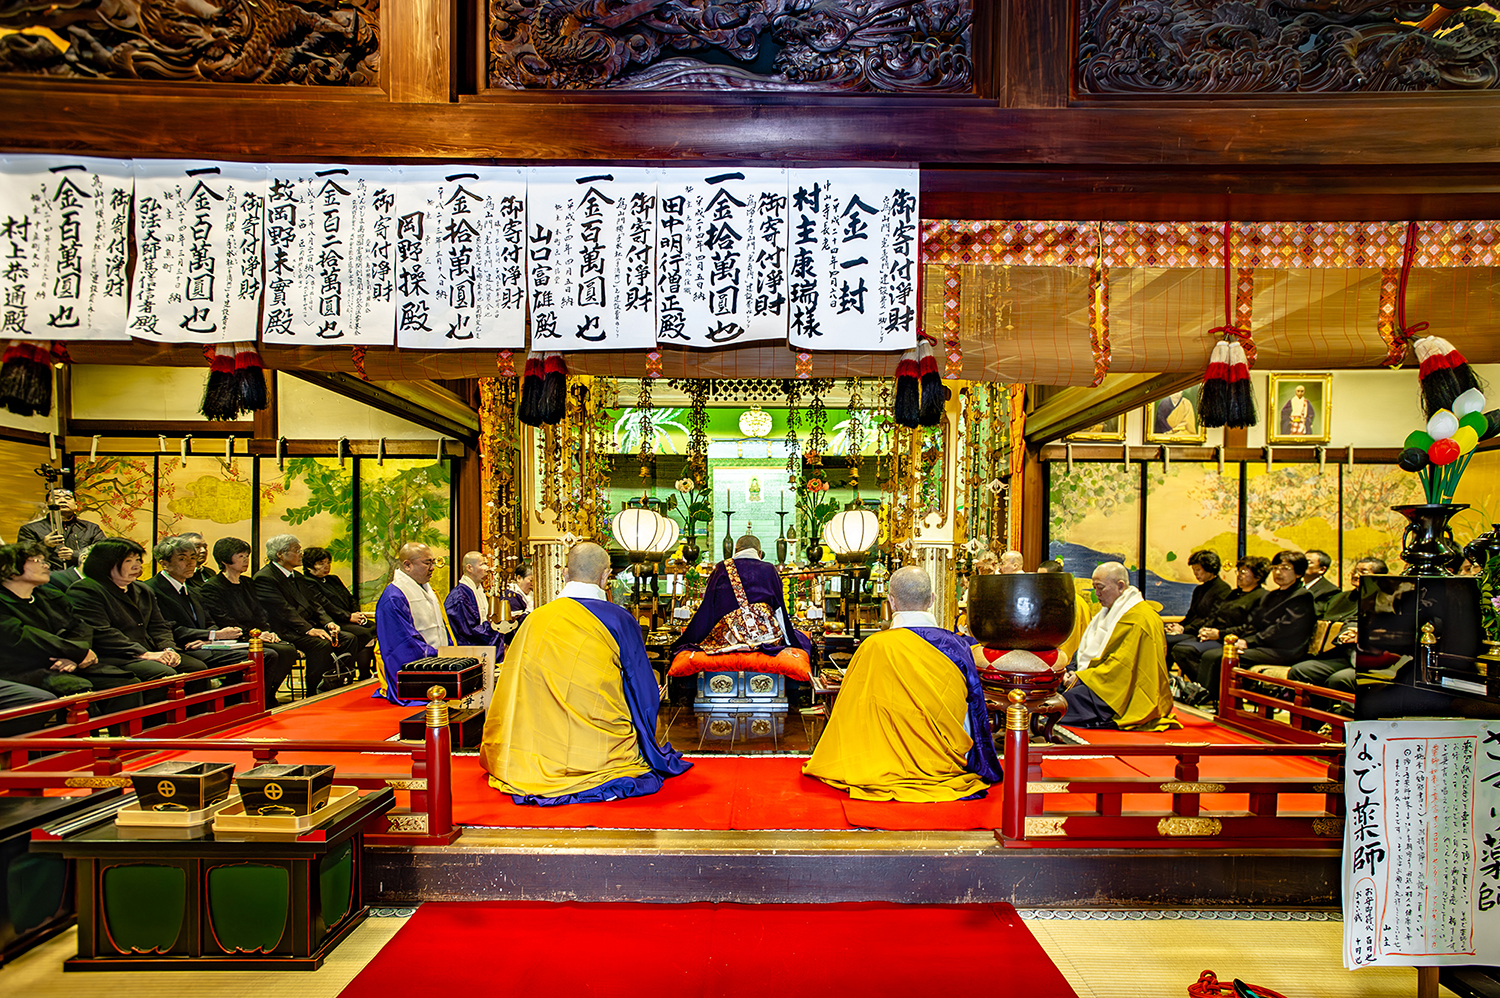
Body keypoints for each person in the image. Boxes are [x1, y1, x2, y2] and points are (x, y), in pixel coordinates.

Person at [480, 541, 690, 805]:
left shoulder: (536, 619)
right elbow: (642, 687)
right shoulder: (618, 619)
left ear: (565, 574)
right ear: (605, 577)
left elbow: (512, 686)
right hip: (598, 751)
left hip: (535, 751)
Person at [803, 566, 1001, 801]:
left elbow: (848, 715)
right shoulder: (957, 647)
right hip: (945, 760)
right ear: (932, 600)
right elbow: (975, 710)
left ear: (891, 602)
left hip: (879, 763)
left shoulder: (873, 647)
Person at [0, 541, 141, 706]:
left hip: (67, 660)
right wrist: (76, 653)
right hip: (21, 667)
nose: (46, 566)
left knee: (126, 684)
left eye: (45, 561)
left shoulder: (50, 595)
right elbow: (22, 636)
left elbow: (80, 626)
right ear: (9, 569)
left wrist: (76, 656)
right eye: (37, 561)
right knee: (78, 690)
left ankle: (124, 733)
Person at [1251, 557, 1388, 716]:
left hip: (1366, 656)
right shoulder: (1342, 597)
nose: (1356, 575)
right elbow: (1348, 621)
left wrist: (1360, 633)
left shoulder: (1386, 600)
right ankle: (1307, 721)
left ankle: (1330, 723)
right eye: (1354, 571)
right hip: (1337, 652)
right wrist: (1349, 630)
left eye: (1362, 572)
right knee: (1302, 670)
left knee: (1337, 680)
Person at [66, 537, 211, 683]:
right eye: (128, 561)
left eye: (138, 560)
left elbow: (159, 625)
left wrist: (168, 649)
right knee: (163, 673)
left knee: (196, 668)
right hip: (115, 655)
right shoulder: (86, 590)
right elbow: (102, 632)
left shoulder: (142, 589)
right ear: (106, 564)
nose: (136, 566)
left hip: (149, 650)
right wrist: (143, 653)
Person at [1061, 562, 1178, 731]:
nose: (1097, 594)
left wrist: (1083, 677)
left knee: (1067, 702)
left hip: (1122, 691)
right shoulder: (1107, 612)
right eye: (1094, 588)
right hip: (1099, 678)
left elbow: (1121, 666)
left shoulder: (1139, 618)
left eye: (1100, 588)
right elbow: (1086, 650)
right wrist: (1072, 670)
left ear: (1120, 586)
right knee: (1056, 690)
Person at [1193, 550, 1317, 703]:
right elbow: (1256, 622)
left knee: (1220, 657)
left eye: (1285, 568)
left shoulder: (1302, 596)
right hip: (1263, 645)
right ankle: (1207, 697)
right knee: (1213, 654)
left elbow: (1283, 628)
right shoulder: (1273, 595)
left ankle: (1218, 701)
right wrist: (1243, 640)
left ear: (1298, 573)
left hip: (1284, 650)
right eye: (1276, 568)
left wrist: (1249, 642)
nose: (1278, 572)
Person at [672, 534, 813, 664]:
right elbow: (779, 610)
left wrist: (691, 637)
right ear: (760, 553)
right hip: (765, 638)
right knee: (801, 637)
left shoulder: (722, 568)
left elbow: (708, 608)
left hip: (729, 638)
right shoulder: (769, 569)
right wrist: (789, 642)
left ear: (735, 550)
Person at [196, 537, 297, 709]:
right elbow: (223, 619)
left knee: (287, 650)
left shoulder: (248, 582)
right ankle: (252, 698)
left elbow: (260, 612)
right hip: (234, 635)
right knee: (272, 653)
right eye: (241, 556)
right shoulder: (213, 587)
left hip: (256, 633)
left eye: (247, 556)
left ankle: (267, 694)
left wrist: (266, 631)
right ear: (225, 560)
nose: (246, 560)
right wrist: (253, 633)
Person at [254, 534, 357, 695]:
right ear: (280, 554)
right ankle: (315, 691)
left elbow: (315, 605)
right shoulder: (265, 578)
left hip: (305, 627)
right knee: (320, 643)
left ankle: (338, 684)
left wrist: (328, 623)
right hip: (286, 630)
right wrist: (309, 630)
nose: (301, 553)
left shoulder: (298, 577)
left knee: (347, 638)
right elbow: (283, 611)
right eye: (296, 550)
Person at [1168, 555, 1270, 689]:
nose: (1239, 576)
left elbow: (1249, 627)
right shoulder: (1234, 594)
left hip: (1233, 639)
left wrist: (1219, 634)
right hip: (1216, 636)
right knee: (1181, 649)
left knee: (1187, 650)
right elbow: (1216, 615)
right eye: (1238, 572)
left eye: (1243, 573)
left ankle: (1207, 691)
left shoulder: (1262, 597)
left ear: (1258, 575)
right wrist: (1206, 629)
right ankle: (1201, 689)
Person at [374, 542, 451, 705]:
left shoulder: (427, 589)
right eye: (427, 563)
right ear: (407, 565)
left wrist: (449, 653)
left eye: (433, 562)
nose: (432, 568)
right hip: (418, 671)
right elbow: (404, 642)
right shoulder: (394, 597)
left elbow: (440, 627)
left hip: (439, 661)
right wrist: (437, 655)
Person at [301, 546, 376, 679]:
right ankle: (360, 673)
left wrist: (356, 613)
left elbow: (350, 598)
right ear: (309, 566)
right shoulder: (306, 582)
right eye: (321, 563)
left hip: (348, 618)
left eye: (328, 563)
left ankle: (370, 671)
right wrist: (348, 617)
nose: (326, 566)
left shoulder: (333, 579)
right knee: (364, 633)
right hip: (331, 621)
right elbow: (325, 605)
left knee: (375, 627)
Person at [17, 488, 106, 571]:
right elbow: (22, 557)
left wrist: (75, 555)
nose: (63, 500)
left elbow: (105, 553)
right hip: (46, 579)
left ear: (76, 505)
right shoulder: (30, 529)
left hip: (83, 578)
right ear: (47, 504)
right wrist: (44, 545)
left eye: (68, 498)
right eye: (56, 498)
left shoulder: (91, 528)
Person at [1163, 550, 1232, 654]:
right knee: (1162, 637)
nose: (1195, 573)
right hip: (1191, 630)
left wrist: (1183, 630)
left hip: (1203, 633)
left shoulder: (1223, 589)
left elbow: (1212, 619)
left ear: (1210, 569)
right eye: (1194, 570)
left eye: (1198, 569)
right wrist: (1177, 626)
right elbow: (1191, 614)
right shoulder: (1199, 590)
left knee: (1168, 642)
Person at [1037, 558, 1094, 667]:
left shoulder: (1076, 602)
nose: (1040, 581)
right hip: (1053, 660)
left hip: (1069, 662)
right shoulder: (1046, 600)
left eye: (1044, 578)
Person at [445, 551, 503, 649]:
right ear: (469, 568)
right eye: (483, 564)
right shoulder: (460, 596)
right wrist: (495, 629)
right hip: (467, 652)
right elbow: (469, 632)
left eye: (487, 564)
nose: (487, 568)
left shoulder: (478, 590)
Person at [1302, 549, 1339, 614]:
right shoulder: (1294, 585)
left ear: (1321, 569)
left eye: (1308, 562)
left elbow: (1316, 612)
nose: (1302, 565)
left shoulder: (1330, 591)